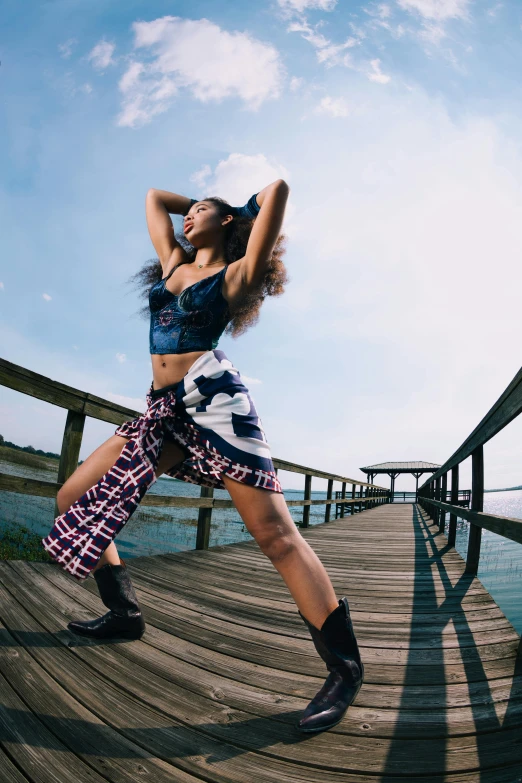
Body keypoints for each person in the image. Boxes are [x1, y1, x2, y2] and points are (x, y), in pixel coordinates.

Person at [42, 179, 364, 734]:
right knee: (72, 497)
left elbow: (277, 189)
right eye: (187, 213)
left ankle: (344, 668)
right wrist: (198, 204)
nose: (187, 217)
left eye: (199, 212)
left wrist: (236, 210)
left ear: (226, 223)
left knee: (275, 535)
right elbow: (150, 198)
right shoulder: (171, 264)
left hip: (214, 402)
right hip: (164, 408)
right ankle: (124, 613)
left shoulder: (236, 274)